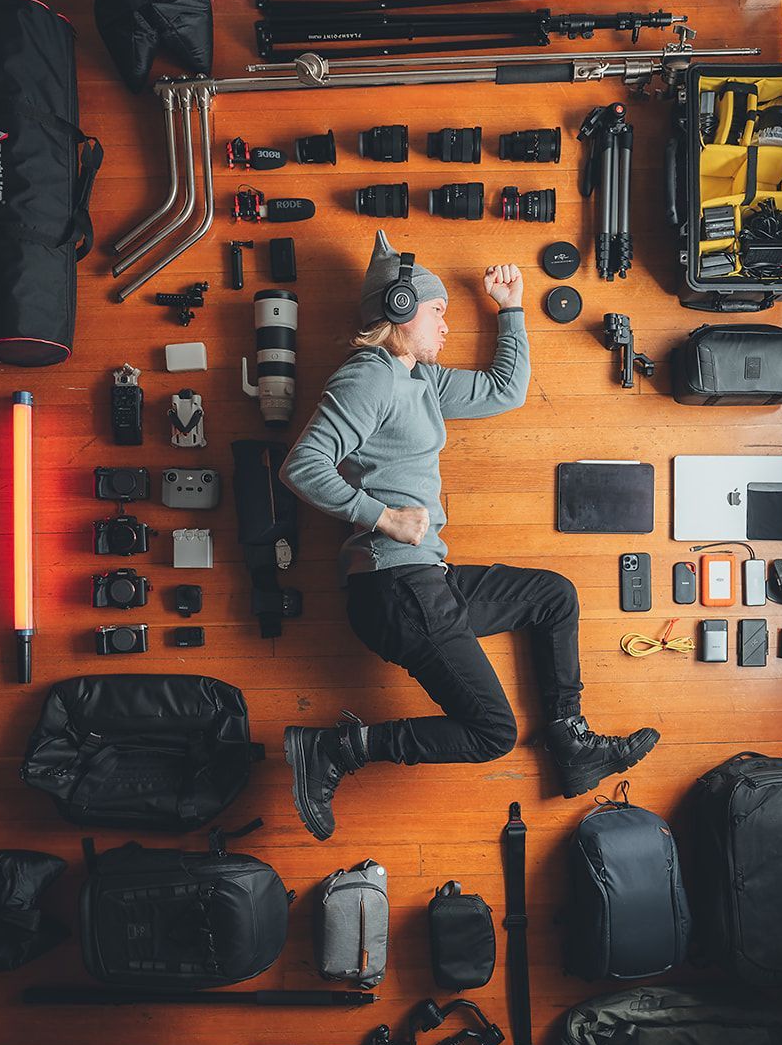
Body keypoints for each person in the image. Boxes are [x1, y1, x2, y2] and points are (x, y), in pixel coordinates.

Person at [280, 231, 658, 840]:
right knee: (493, 733)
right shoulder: (368, 378)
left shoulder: (420, 381)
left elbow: (505, 390)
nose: (446, 326)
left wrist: (510, 309)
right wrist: (383, 517)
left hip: (425, 581)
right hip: (394, 582)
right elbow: (302, 466)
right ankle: (338, 749)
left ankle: (570, 738)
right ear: (398, 311)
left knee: (553, 596)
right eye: (437, 312)